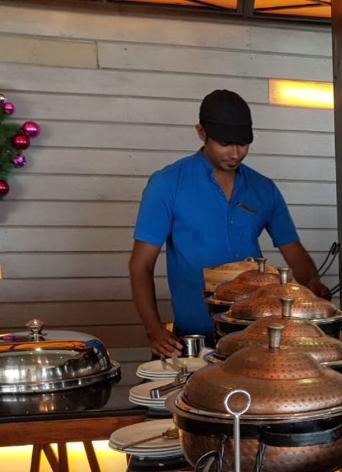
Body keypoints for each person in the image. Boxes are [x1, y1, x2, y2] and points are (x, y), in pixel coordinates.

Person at [129, 89, 328, 357]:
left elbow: (293, 251)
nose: (235, 154)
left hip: (256, 338)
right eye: (225, 144)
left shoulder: (263, 189)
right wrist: (154, 330)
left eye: (243, 144)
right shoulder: (167, 185)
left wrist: (312, 284)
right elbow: (141, 265)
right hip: (195, 338)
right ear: (201, 132)